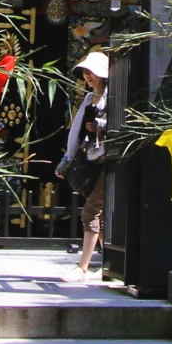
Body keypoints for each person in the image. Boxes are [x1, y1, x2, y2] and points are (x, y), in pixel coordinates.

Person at [60, 50, 109, 276]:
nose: (88, 76)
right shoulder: (89, 99)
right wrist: (67, 159)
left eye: (92, 72)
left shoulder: (113, 97)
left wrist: (100, 124)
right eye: (85, 72)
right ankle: (109, 264)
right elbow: (75, 131)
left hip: (108, 161)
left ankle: (83, 267)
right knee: (100, 214)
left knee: (91, 212)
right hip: (90, 160)